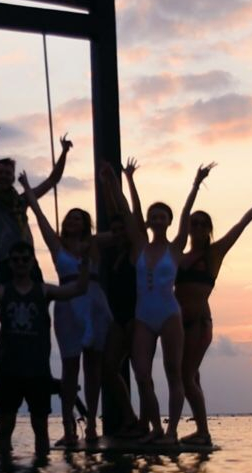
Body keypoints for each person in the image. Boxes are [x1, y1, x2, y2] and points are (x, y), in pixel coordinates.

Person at [0, 239, 89, 457]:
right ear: (10, 264)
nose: (20, 263)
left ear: (31, 262)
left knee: (41, 430)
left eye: (24, 259)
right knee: (6, 429)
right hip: (9, 372)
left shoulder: (44, 291)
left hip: (38, 372)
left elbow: (80, 288)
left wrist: (85, 259)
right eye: (15, 260)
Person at [112, 160, 213, 446]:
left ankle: (171, 433)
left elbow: (185, 210)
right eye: (153, 217)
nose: (157, 220)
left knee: (173, 373)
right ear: (148, 221)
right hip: (144, 315)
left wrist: (195, 183)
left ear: (168, 222)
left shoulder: (175, 246)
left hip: (170, 314)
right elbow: (128, 211)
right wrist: (127, 179)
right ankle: (156, 427)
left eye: (162, 217)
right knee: (142, 373)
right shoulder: (141, 245)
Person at [176, 182, 252, 447]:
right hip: (178, 323)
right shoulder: (179, 255)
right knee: (191, 375)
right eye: (194, 223)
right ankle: (200, 429)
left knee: (186, 377)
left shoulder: (214, 254)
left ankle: (203, 433)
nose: (198, 228)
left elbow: (242, 224)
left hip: (199, 323)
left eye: (203, 224)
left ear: (209, 230)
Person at [18, 171, 114, 446]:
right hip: (67, 302)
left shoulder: (93, 244)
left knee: (93, 366)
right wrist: (27, 188)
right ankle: (68, 425)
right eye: (69, 217)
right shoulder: (57, 245)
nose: (72, 221)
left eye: (78, 218)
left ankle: (94, 423)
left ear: (85, 224)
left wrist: (112, 187)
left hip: (94, 301)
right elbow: (40, 218)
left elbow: (121, 234)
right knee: (70, 366)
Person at [0, 124, 71, 284]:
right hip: (5, 262)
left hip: (29, 261)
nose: (3, 176)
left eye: (7, 173)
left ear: (13, 179)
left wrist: (64, 153)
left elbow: (52, 180)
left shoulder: (22, 201)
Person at [96, 162, 143, 437]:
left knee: (141, 374)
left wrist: (121, 182)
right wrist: (107, 185)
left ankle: (144, 424)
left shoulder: (137, 250)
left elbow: (125, 212)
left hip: (136, 318)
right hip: (118, 318)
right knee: (109, 368)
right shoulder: (112, 250)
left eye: (122, 230)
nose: (118, 234)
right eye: (114, 232)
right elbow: (114, 214)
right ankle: (130, 416)